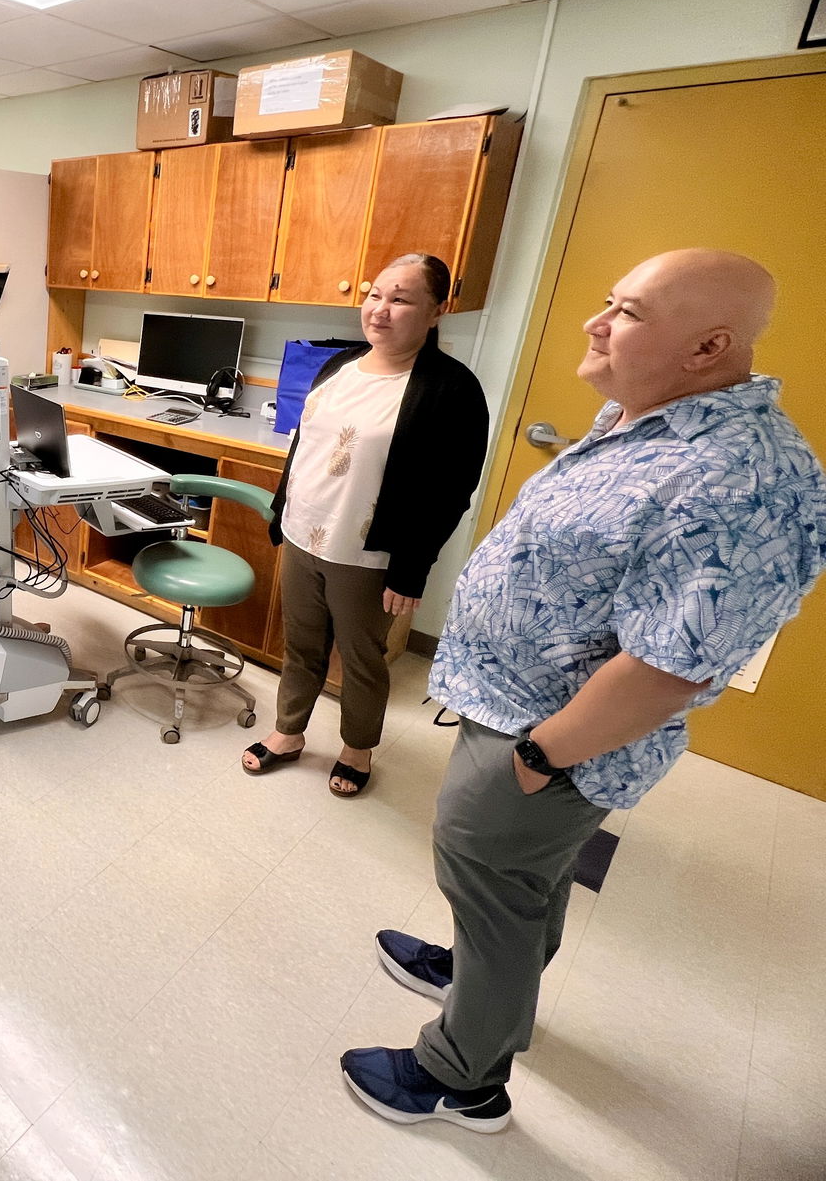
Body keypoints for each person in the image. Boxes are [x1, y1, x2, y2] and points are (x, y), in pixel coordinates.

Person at [341, 249, 826, 1132]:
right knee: (517, 889)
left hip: (554, 735)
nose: (595, 323)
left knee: (493, 872)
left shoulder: (740, 475)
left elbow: (671, 666)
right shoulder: (649, 415)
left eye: (629, 312)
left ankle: (463, 1075)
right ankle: (484, 975)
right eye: (610, 299)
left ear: (709, 345)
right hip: (512, 699)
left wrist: (537, 755)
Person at [243, 253, 489, 796]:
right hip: (304, 532)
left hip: (368, 553)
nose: (380, 309)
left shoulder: (451, 389)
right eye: (375, 294)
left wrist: (412, 569)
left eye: (400, 299)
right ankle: (288, 733)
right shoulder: (339, 366)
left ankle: (357, 748)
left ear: (437, 310)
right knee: (301, 643)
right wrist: (281, 511)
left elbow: (451, 491)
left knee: (360, 657)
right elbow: (303, 444)